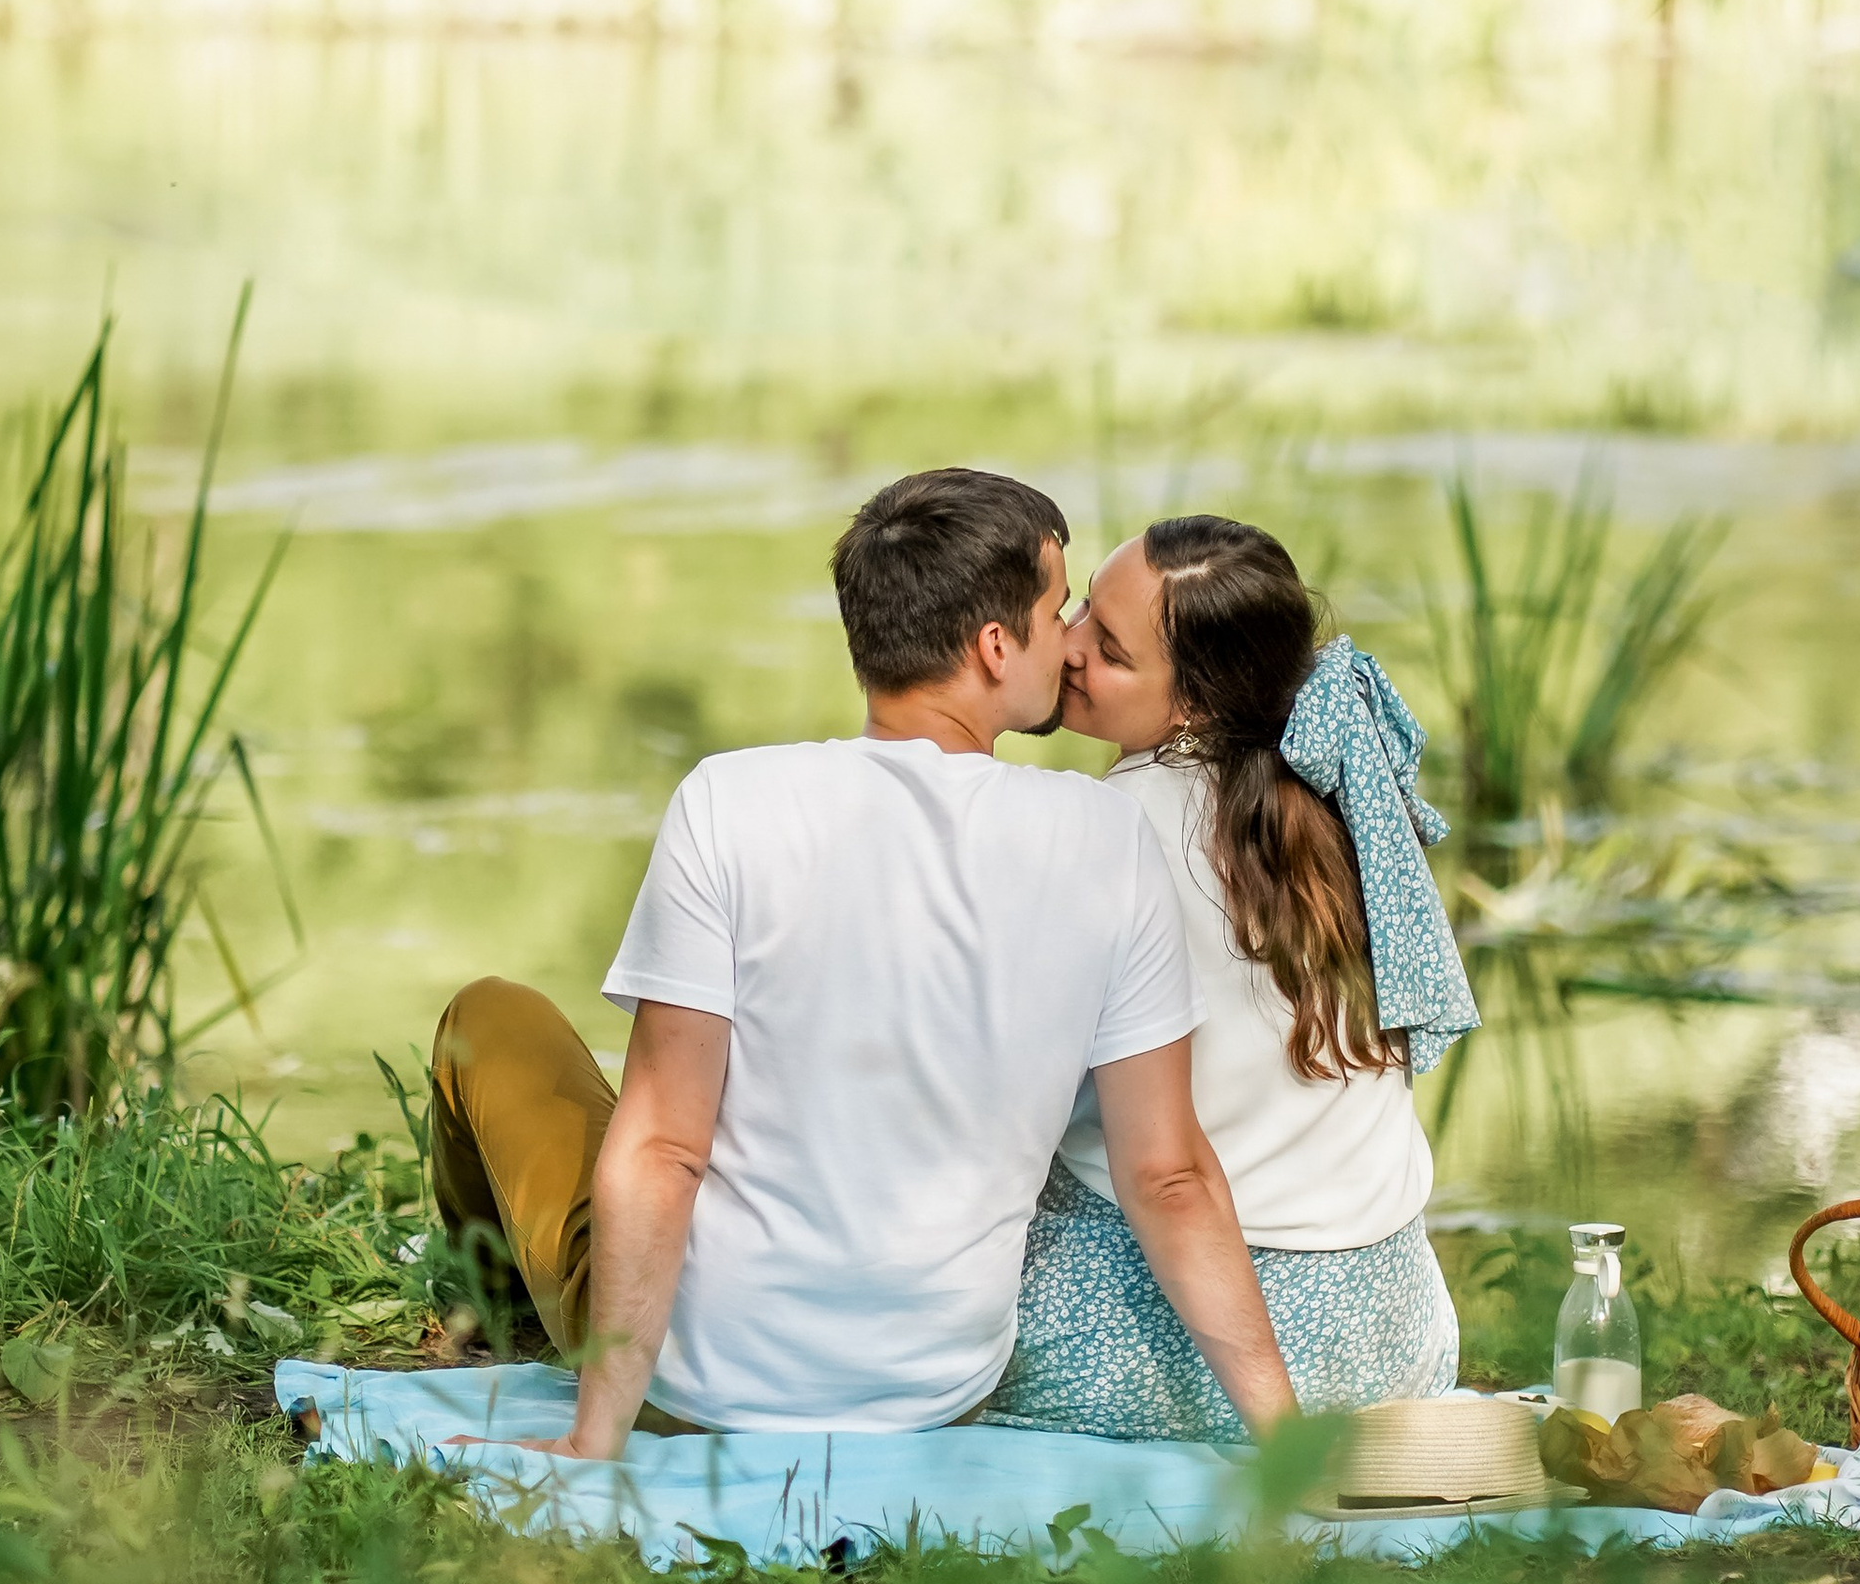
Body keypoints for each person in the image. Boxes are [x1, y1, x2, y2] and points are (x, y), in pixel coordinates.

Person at [427, 468, 1300, 1458]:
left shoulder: (729, 800)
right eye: (1059, 612)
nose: (1070, 644)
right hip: (933, 1391)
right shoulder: (1106, 838)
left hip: (704, 1382)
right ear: (995, 646)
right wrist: (1286, 1443)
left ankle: (490, 1317)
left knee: (489, 1017)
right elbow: (1169, 1175)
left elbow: (666, 1148)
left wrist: (596, 1441)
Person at [986, 515, 1480, 1443]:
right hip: (1394, 1338)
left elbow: (1057, 1124)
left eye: (1113, 650)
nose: (1072, 645)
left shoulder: (1111, 826)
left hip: (1190, 1358)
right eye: (1083, 607)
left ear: (1197, 706)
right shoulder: (1337, 800)